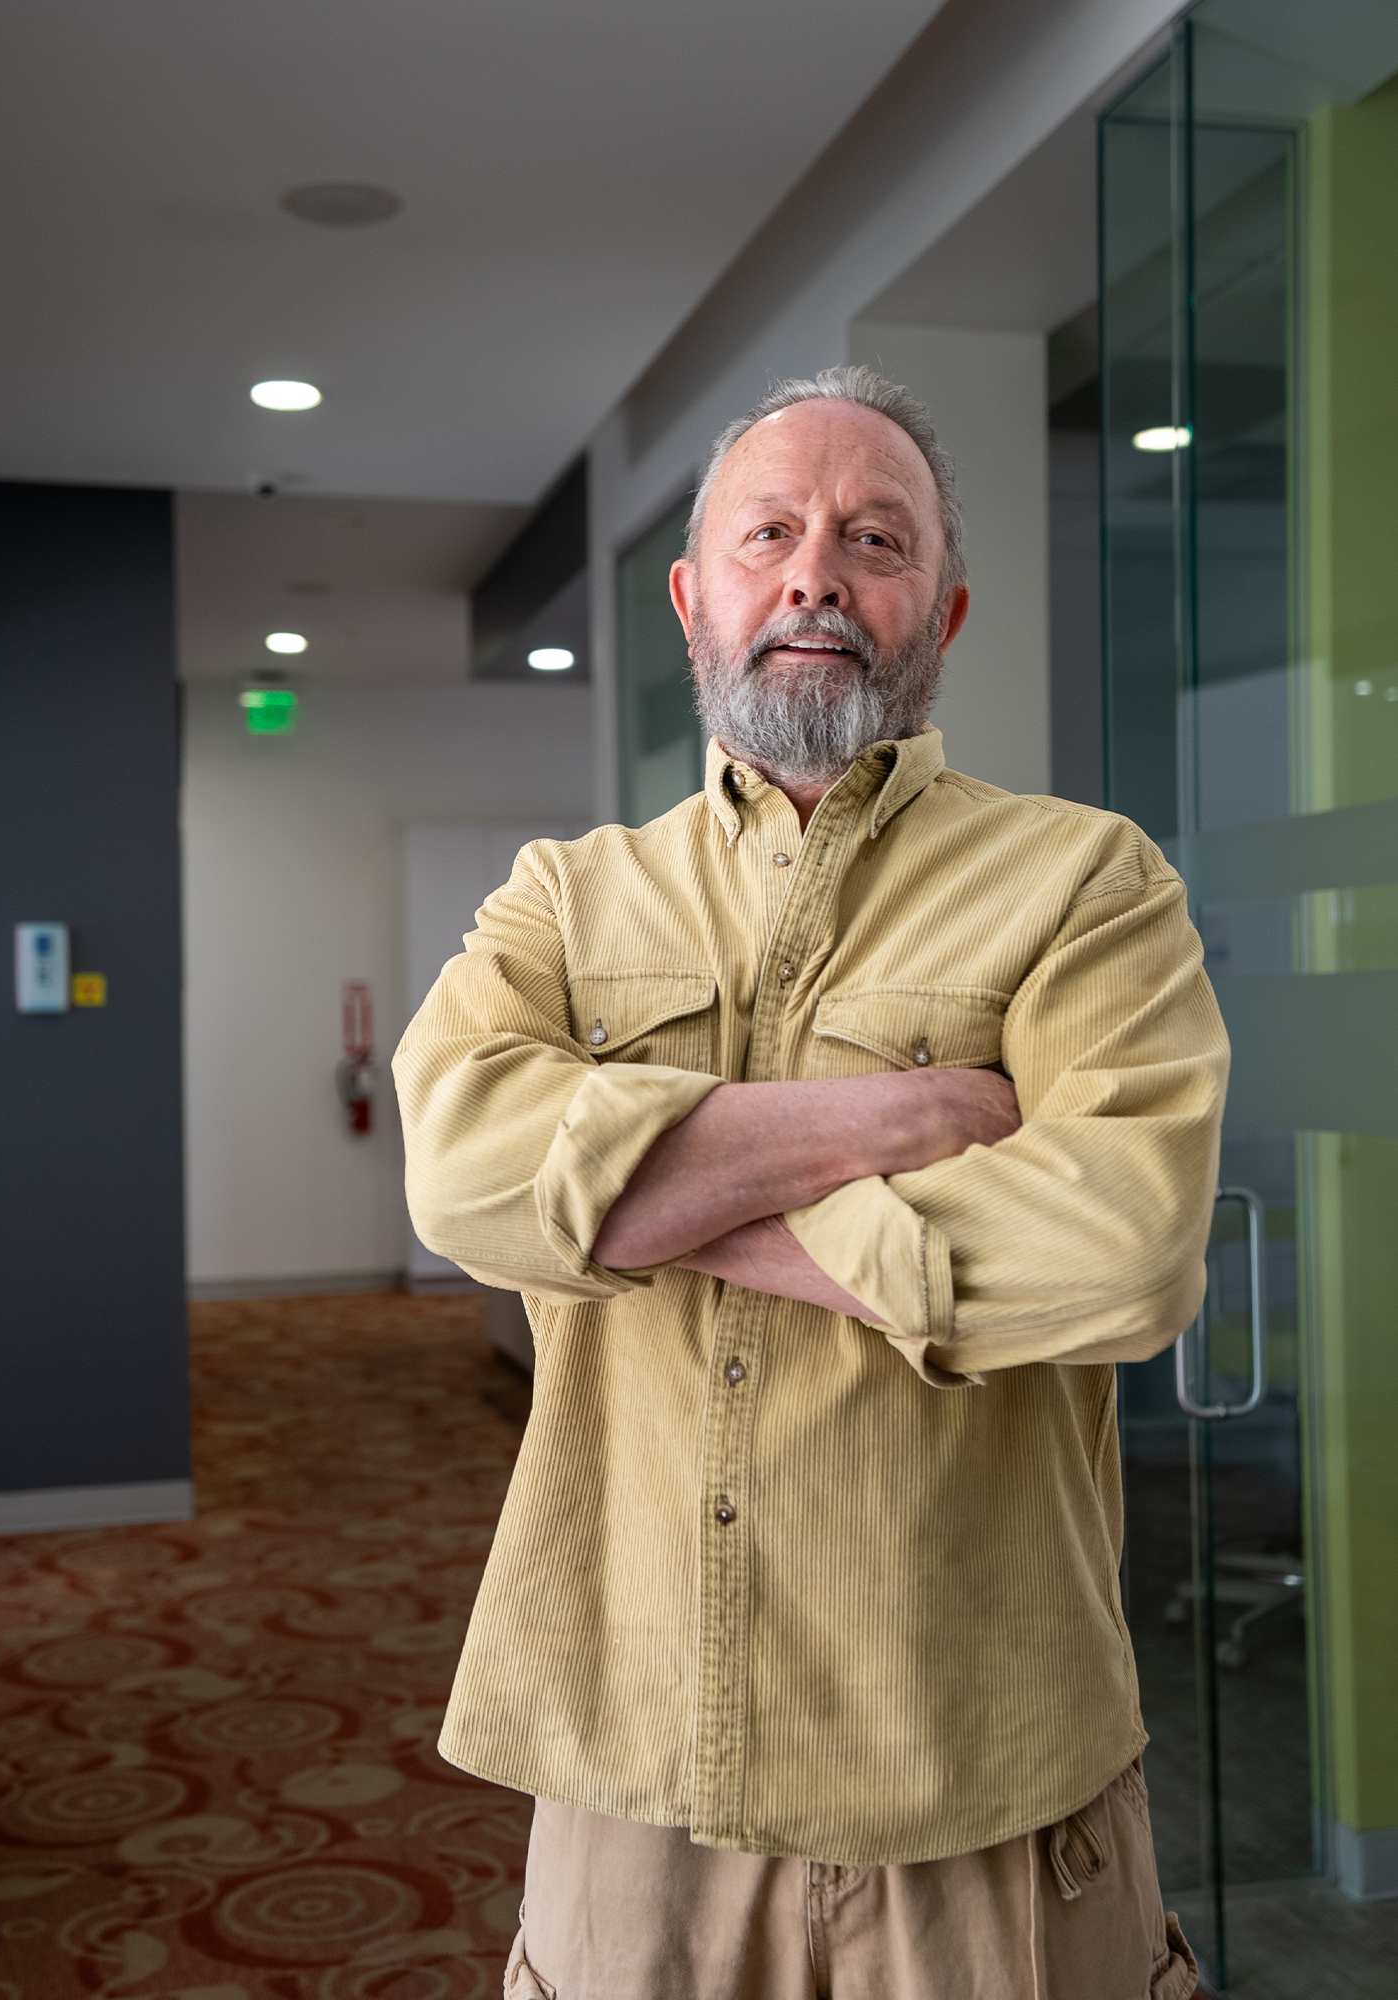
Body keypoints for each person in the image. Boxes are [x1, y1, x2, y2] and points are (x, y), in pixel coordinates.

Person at [395, 365, 1227, 1999]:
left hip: (980, 1778)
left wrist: (647, 1202)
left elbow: (1127, 1250)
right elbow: (459, 1179)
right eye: (770, 532)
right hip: (635, 1779)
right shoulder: (563, 902)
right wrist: (908, 1119)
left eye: (874, 538)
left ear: (946, 609)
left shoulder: (1087, 885)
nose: (816, 576)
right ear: (696, 598)